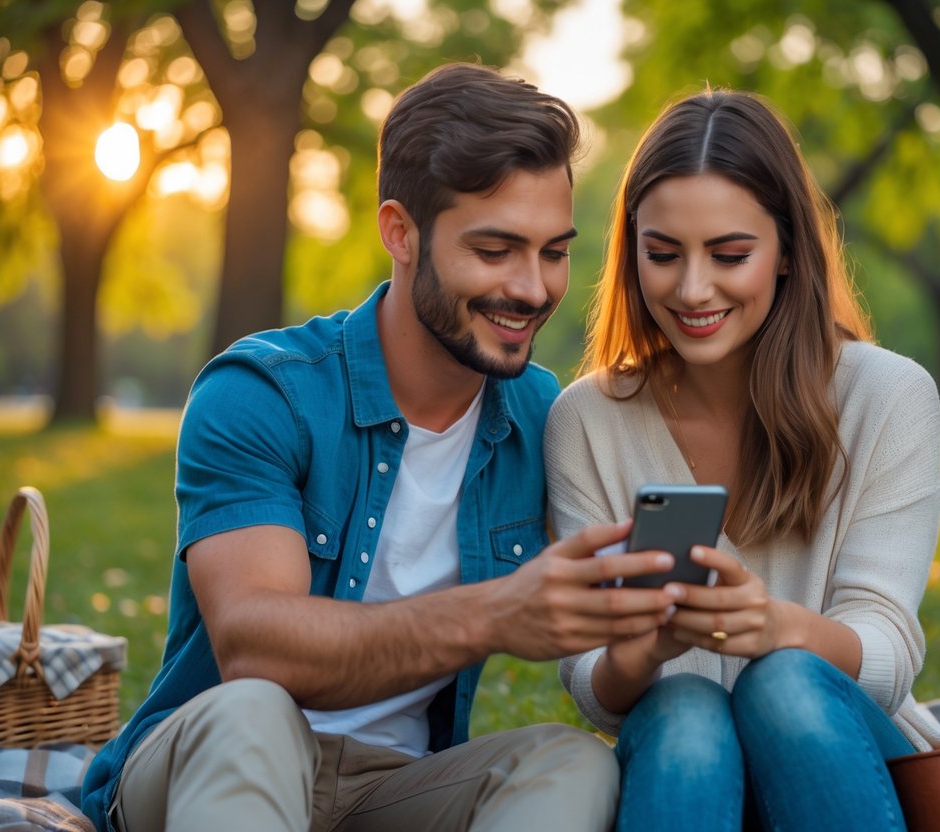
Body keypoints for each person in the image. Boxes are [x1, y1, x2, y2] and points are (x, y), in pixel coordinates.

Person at [81, 63, 683, 832]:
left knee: (574, 761)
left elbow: (610, 624)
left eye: (553, 252)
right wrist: (493, 613)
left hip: (394, 787)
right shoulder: (264, 393)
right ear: (399, 232)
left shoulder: (543, 416)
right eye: (495, 250)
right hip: (211, 767)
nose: (532, 289)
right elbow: (255, 649)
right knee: (254, 712)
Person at [544, 88, 940, 831]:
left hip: (843, 764)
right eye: (661, 254)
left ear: (788, 250)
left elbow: (888, 650)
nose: (692, 289)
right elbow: (592, 684)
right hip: (687, 773)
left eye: (729, 254)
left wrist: (773, 628)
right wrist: (639, 652)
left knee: (784, 683)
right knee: (686, 703)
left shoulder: (887, 396)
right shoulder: (586, 420)